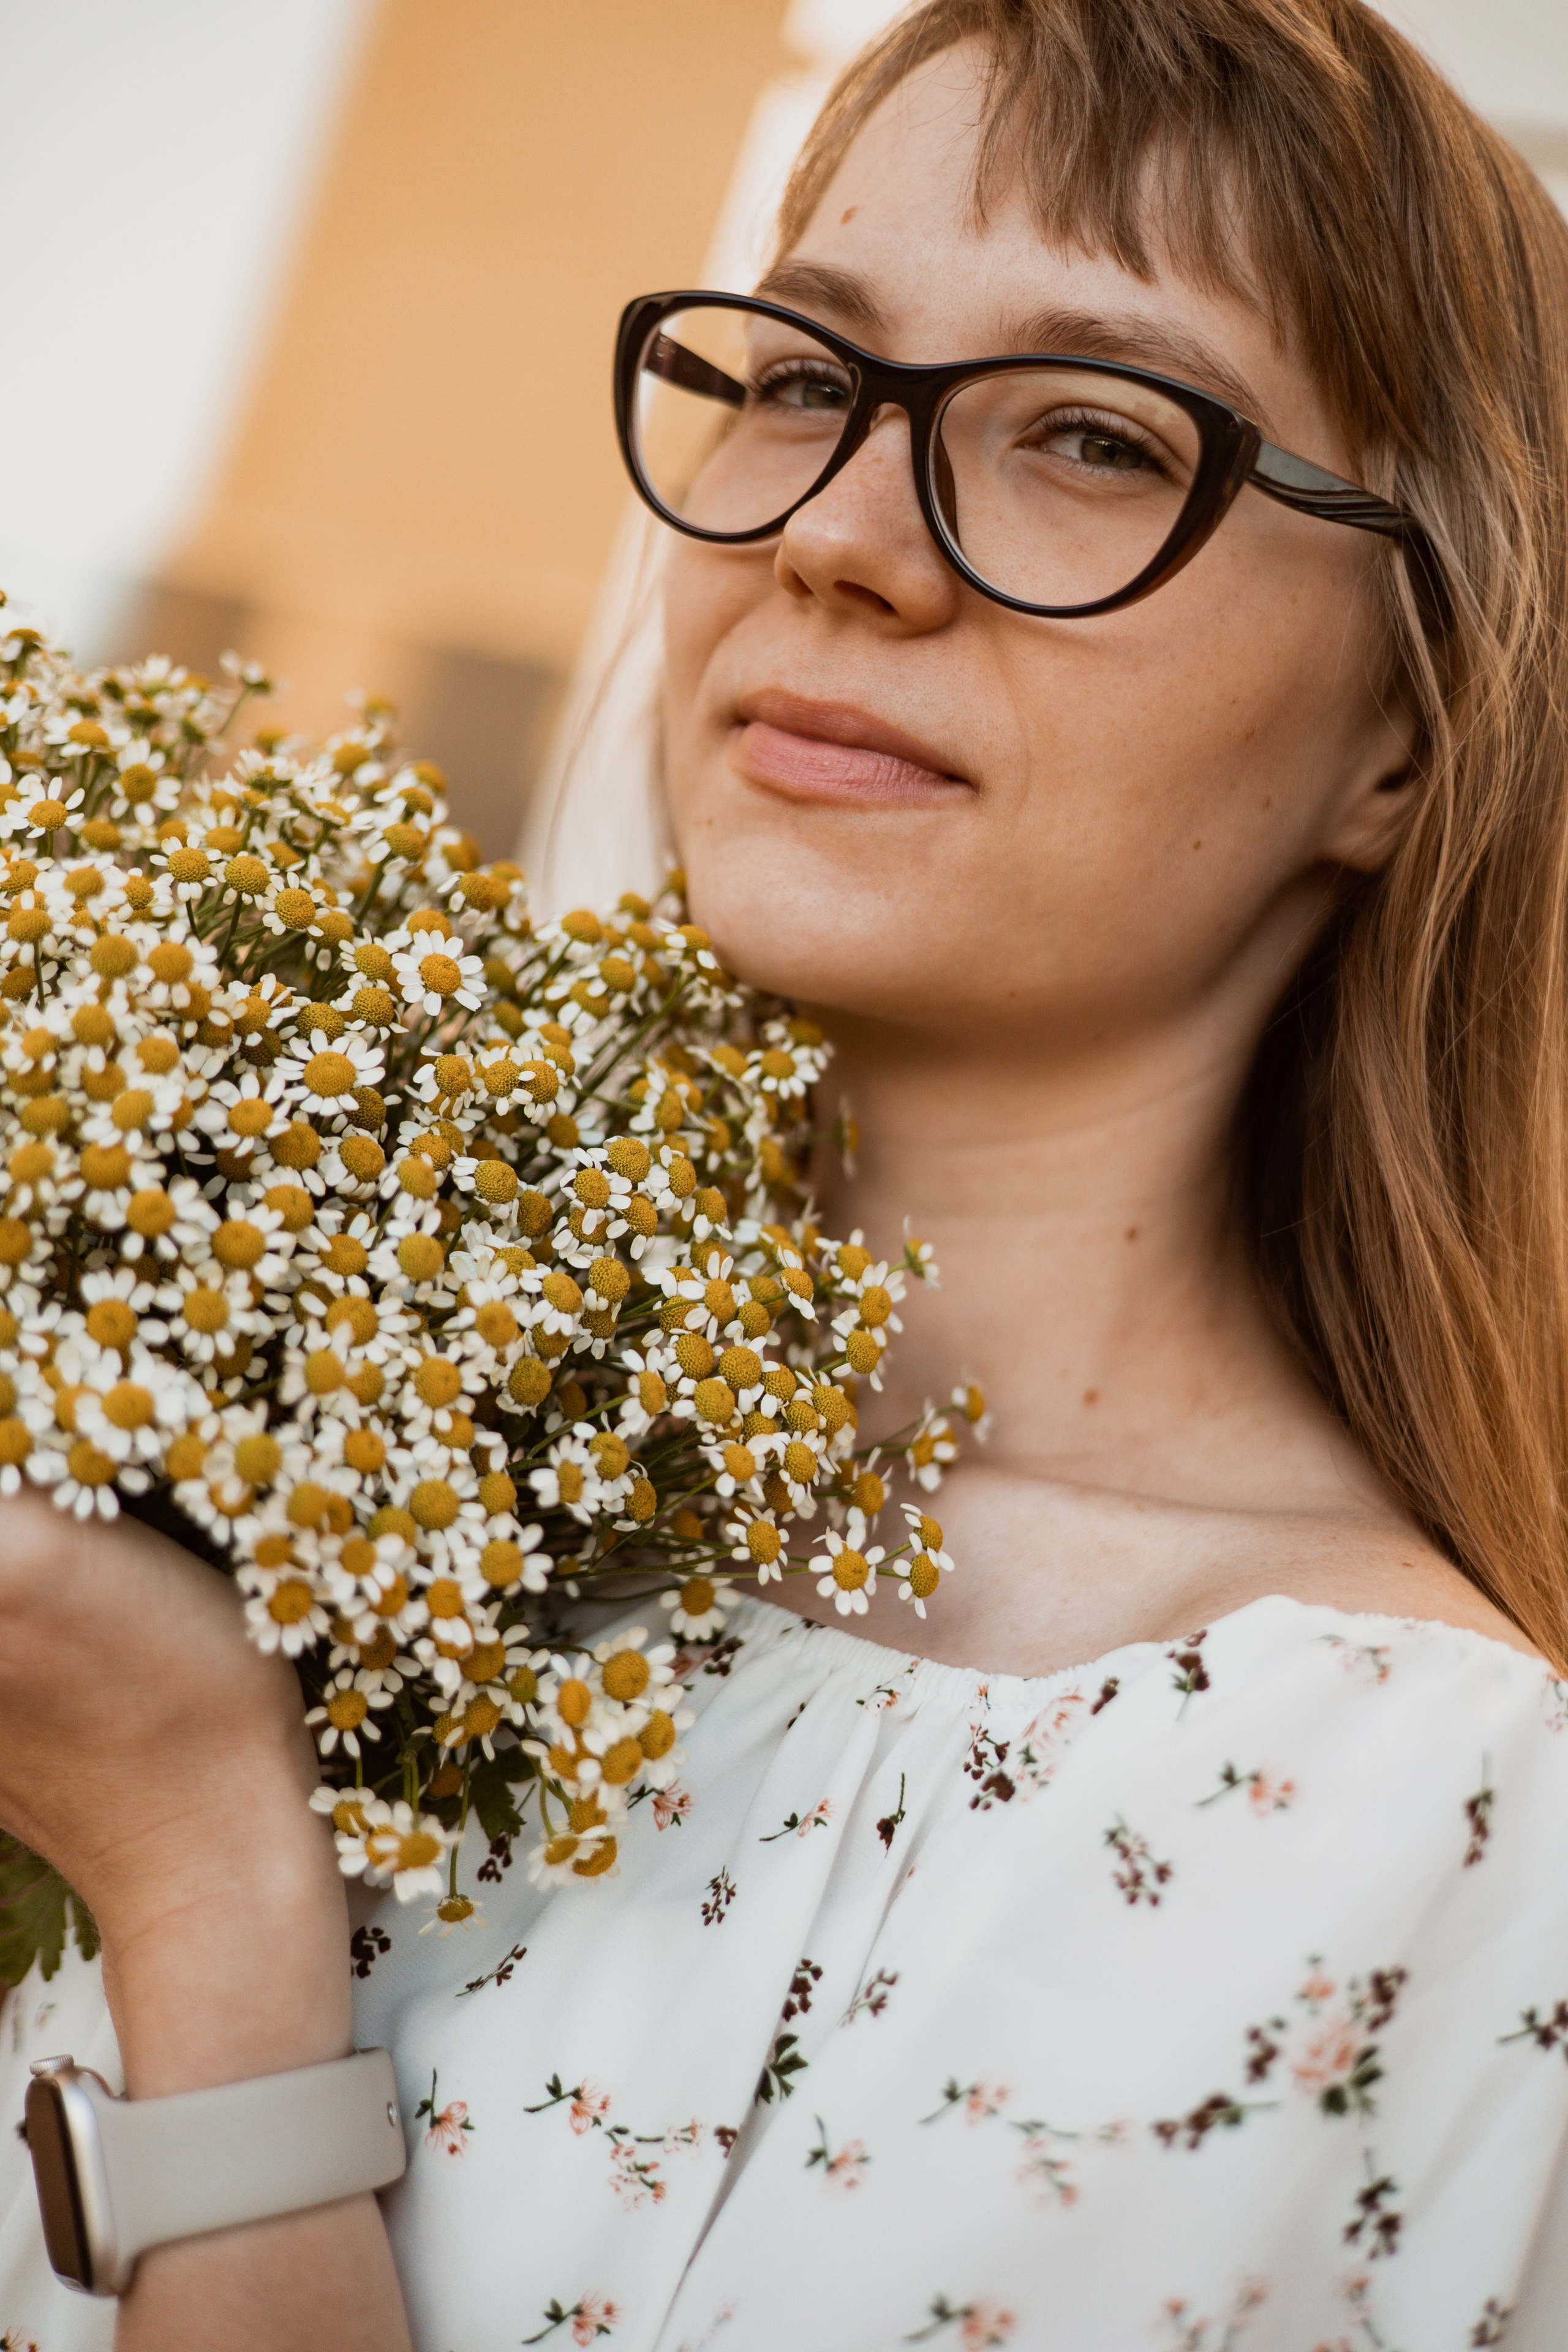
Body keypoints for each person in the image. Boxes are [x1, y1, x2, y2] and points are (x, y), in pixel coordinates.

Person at [6, 1, 1568, 2344]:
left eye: (1091, 437)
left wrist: (208, 1877)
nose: (837, 543)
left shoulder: (1441, 1840)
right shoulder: (283, 1428)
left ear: (1410, 722)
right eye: (807, 381)